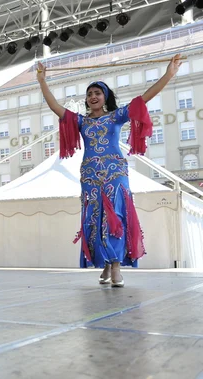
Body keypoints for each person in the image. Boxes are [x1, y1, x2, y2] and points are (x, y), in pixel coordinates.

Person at [36, 54, 183, 287]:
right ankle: (104, 263)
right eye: (89, 94)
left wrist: (169, 74)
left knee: (116, 217)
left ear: (105, 97)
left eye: (97, 93)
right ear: (86, 100)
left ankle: (116, 266)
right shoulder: (82, 122)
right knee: (94, 219)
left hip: (116, 173)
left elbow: (144, 98)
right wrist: (42, 80)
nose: (93, 96)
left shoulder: (116, 117)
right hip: (90, 175)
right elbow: (55, 107)